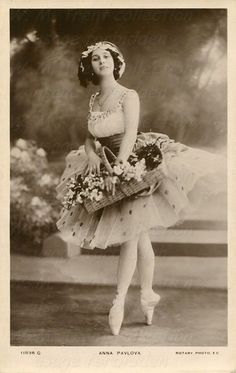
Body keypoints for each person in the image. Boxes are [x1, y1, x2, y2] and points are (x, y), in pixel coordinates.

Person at [56, 41, 226, 336]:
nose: (101, 61)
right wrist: (94, 155)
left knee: (131, 235)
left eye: (106, 56)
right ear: (90, 67)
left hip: (134, 160)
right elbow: (89, 137)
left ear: (116, 61)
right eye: (95, 59)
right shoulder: (95, 99)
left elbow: (132, 132)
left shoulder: (128, 96)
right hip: (106, 161)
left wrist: (119, 170)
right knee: (138, 232)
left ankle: (118, 300)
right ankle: (147, 294)